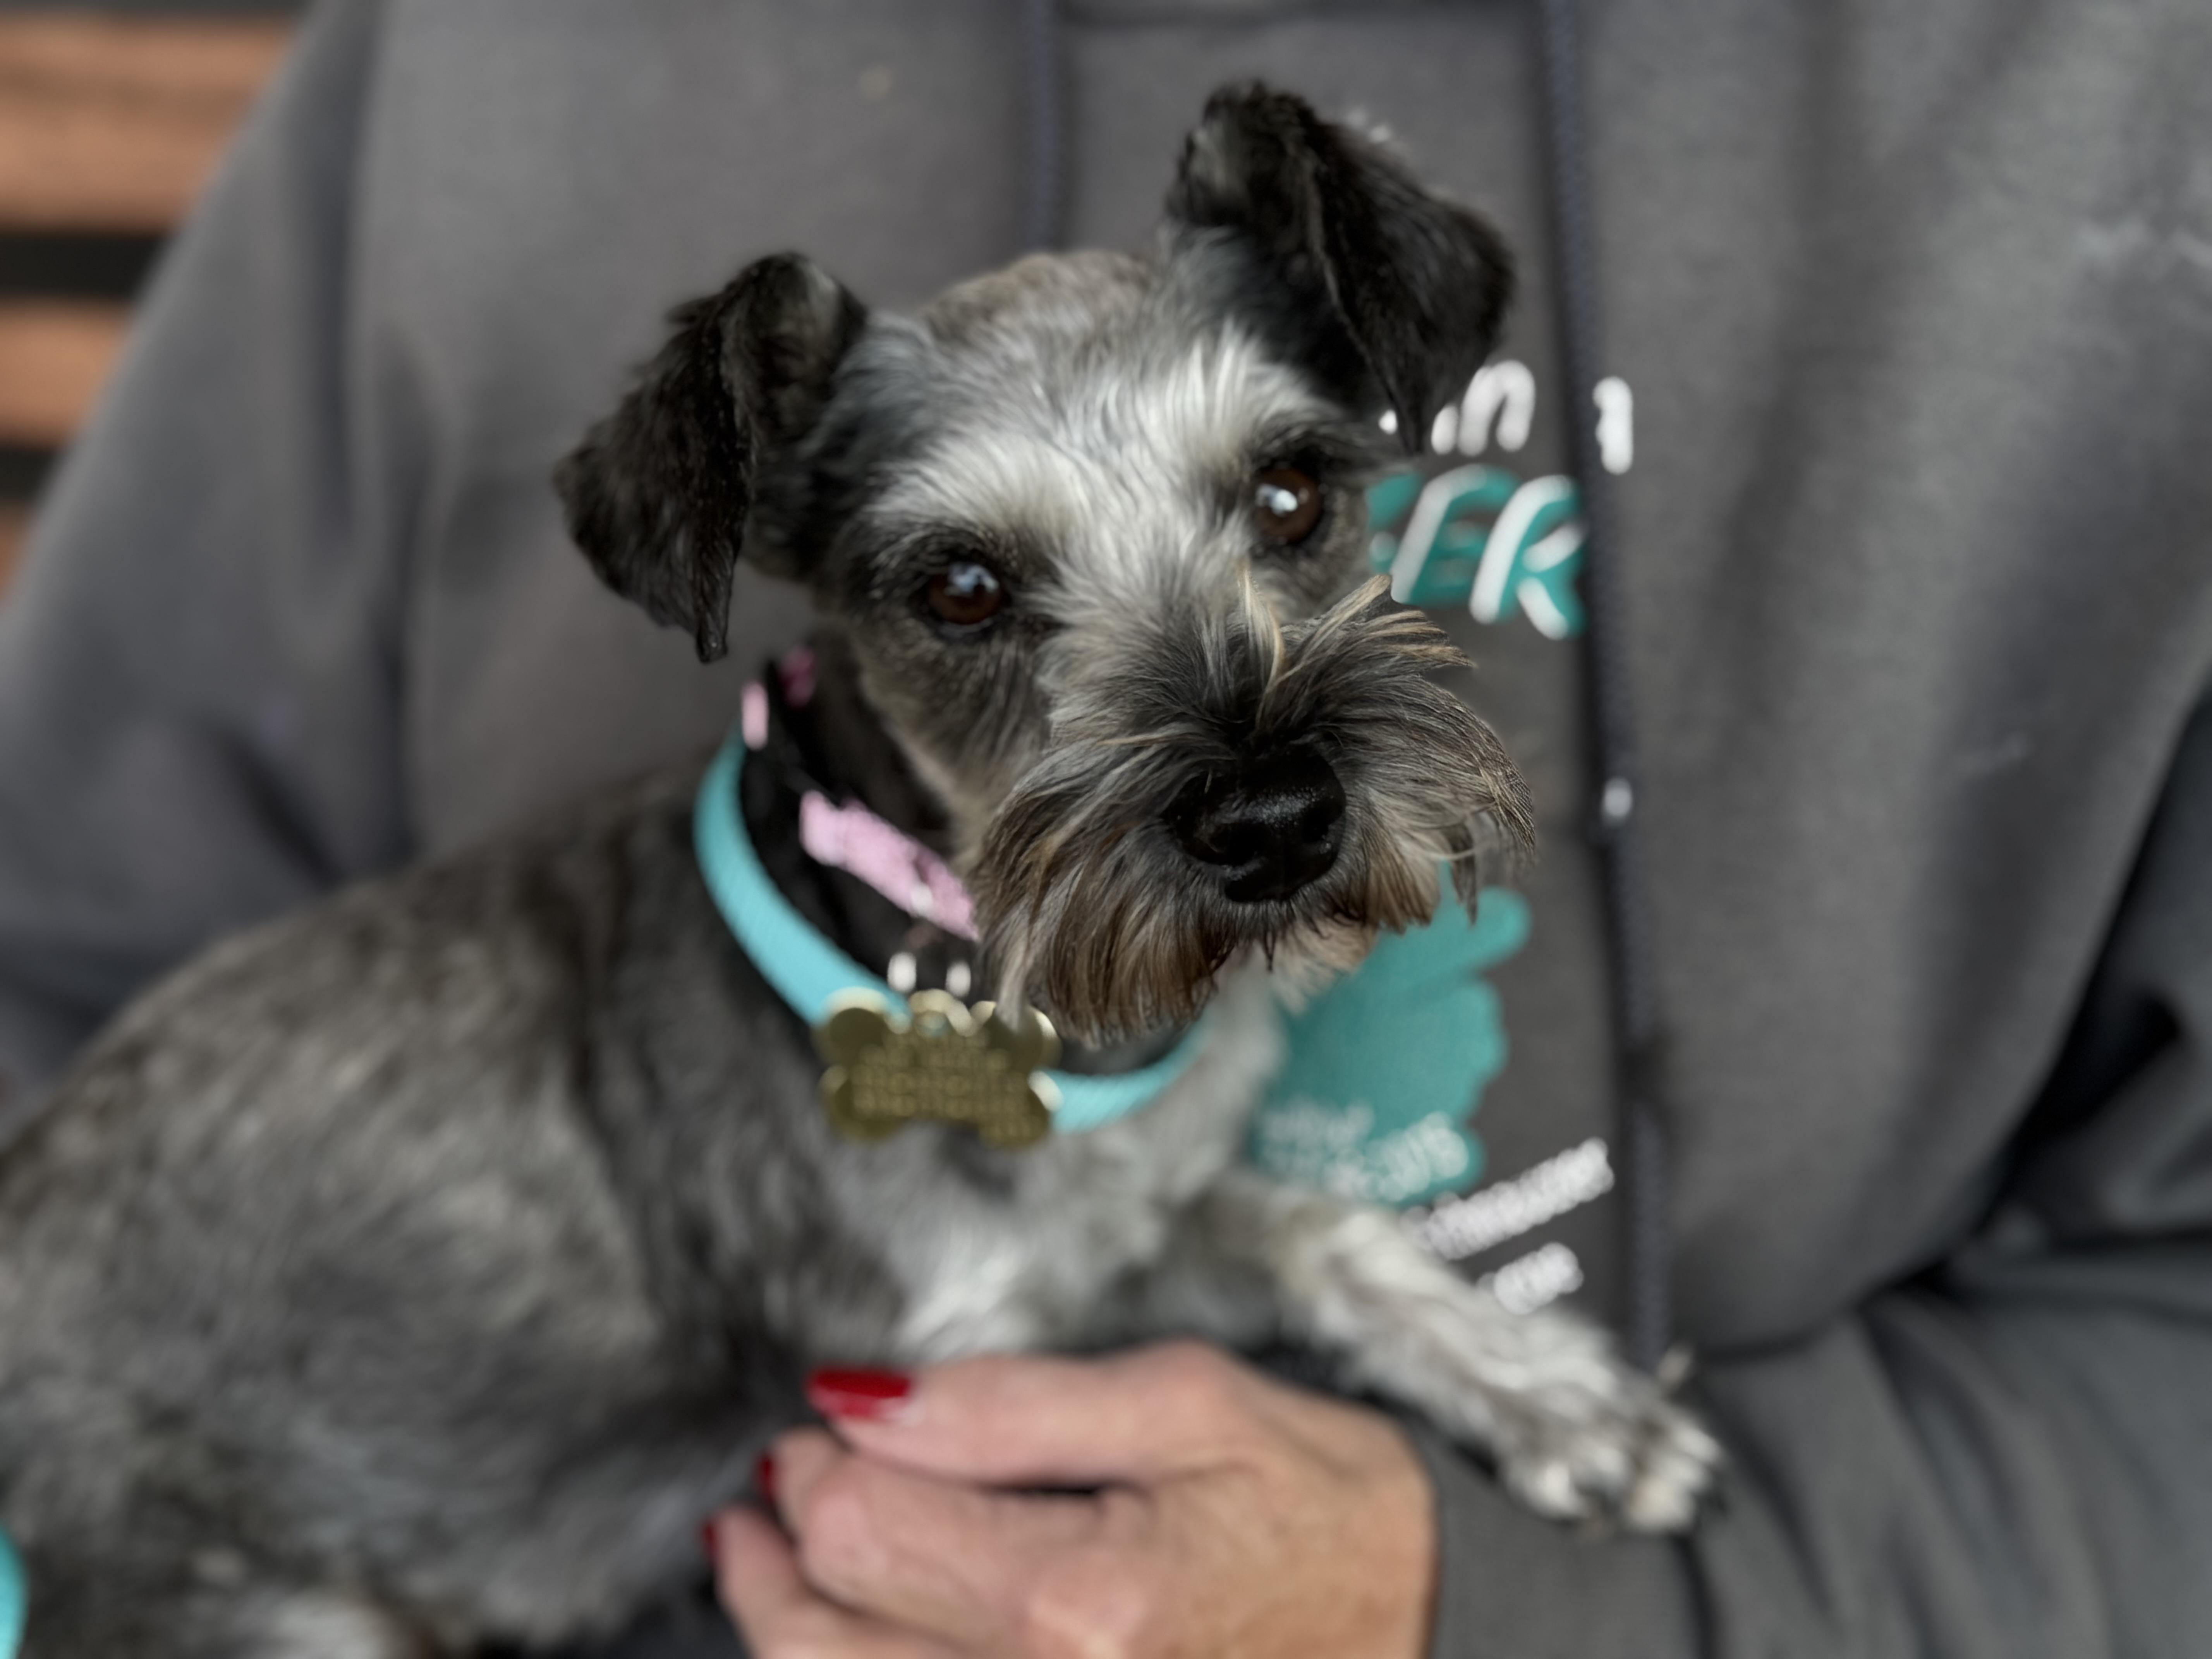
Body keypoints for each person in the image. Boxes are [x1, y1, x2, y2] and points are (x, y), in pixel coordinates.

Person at [3, 2, 2210, 1654]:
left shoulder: (2119, 89)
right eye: (974, 595)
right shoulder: (468, 69)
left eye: (1280, 499)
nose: (1250, 768)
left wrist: (1556, 1583)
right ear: (799, 582)